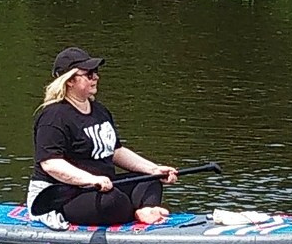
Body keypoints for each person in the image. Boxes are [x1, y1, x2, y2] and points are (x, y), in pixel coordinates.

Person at [28, 46, 179, 227]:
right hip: (66, 193)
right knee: (111, 200)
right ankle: (138, 211)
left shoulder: (100, 111)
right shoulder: (53, 117)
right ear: (70, 81)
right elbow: (51, 164)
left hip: (104, 185)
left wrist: (154, 169)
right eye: (89, 74)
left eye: (96, 73)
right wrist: (90, 179)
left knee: (149, 180)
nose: (96, 78)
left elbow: (115, 151)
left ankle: (145, 209)